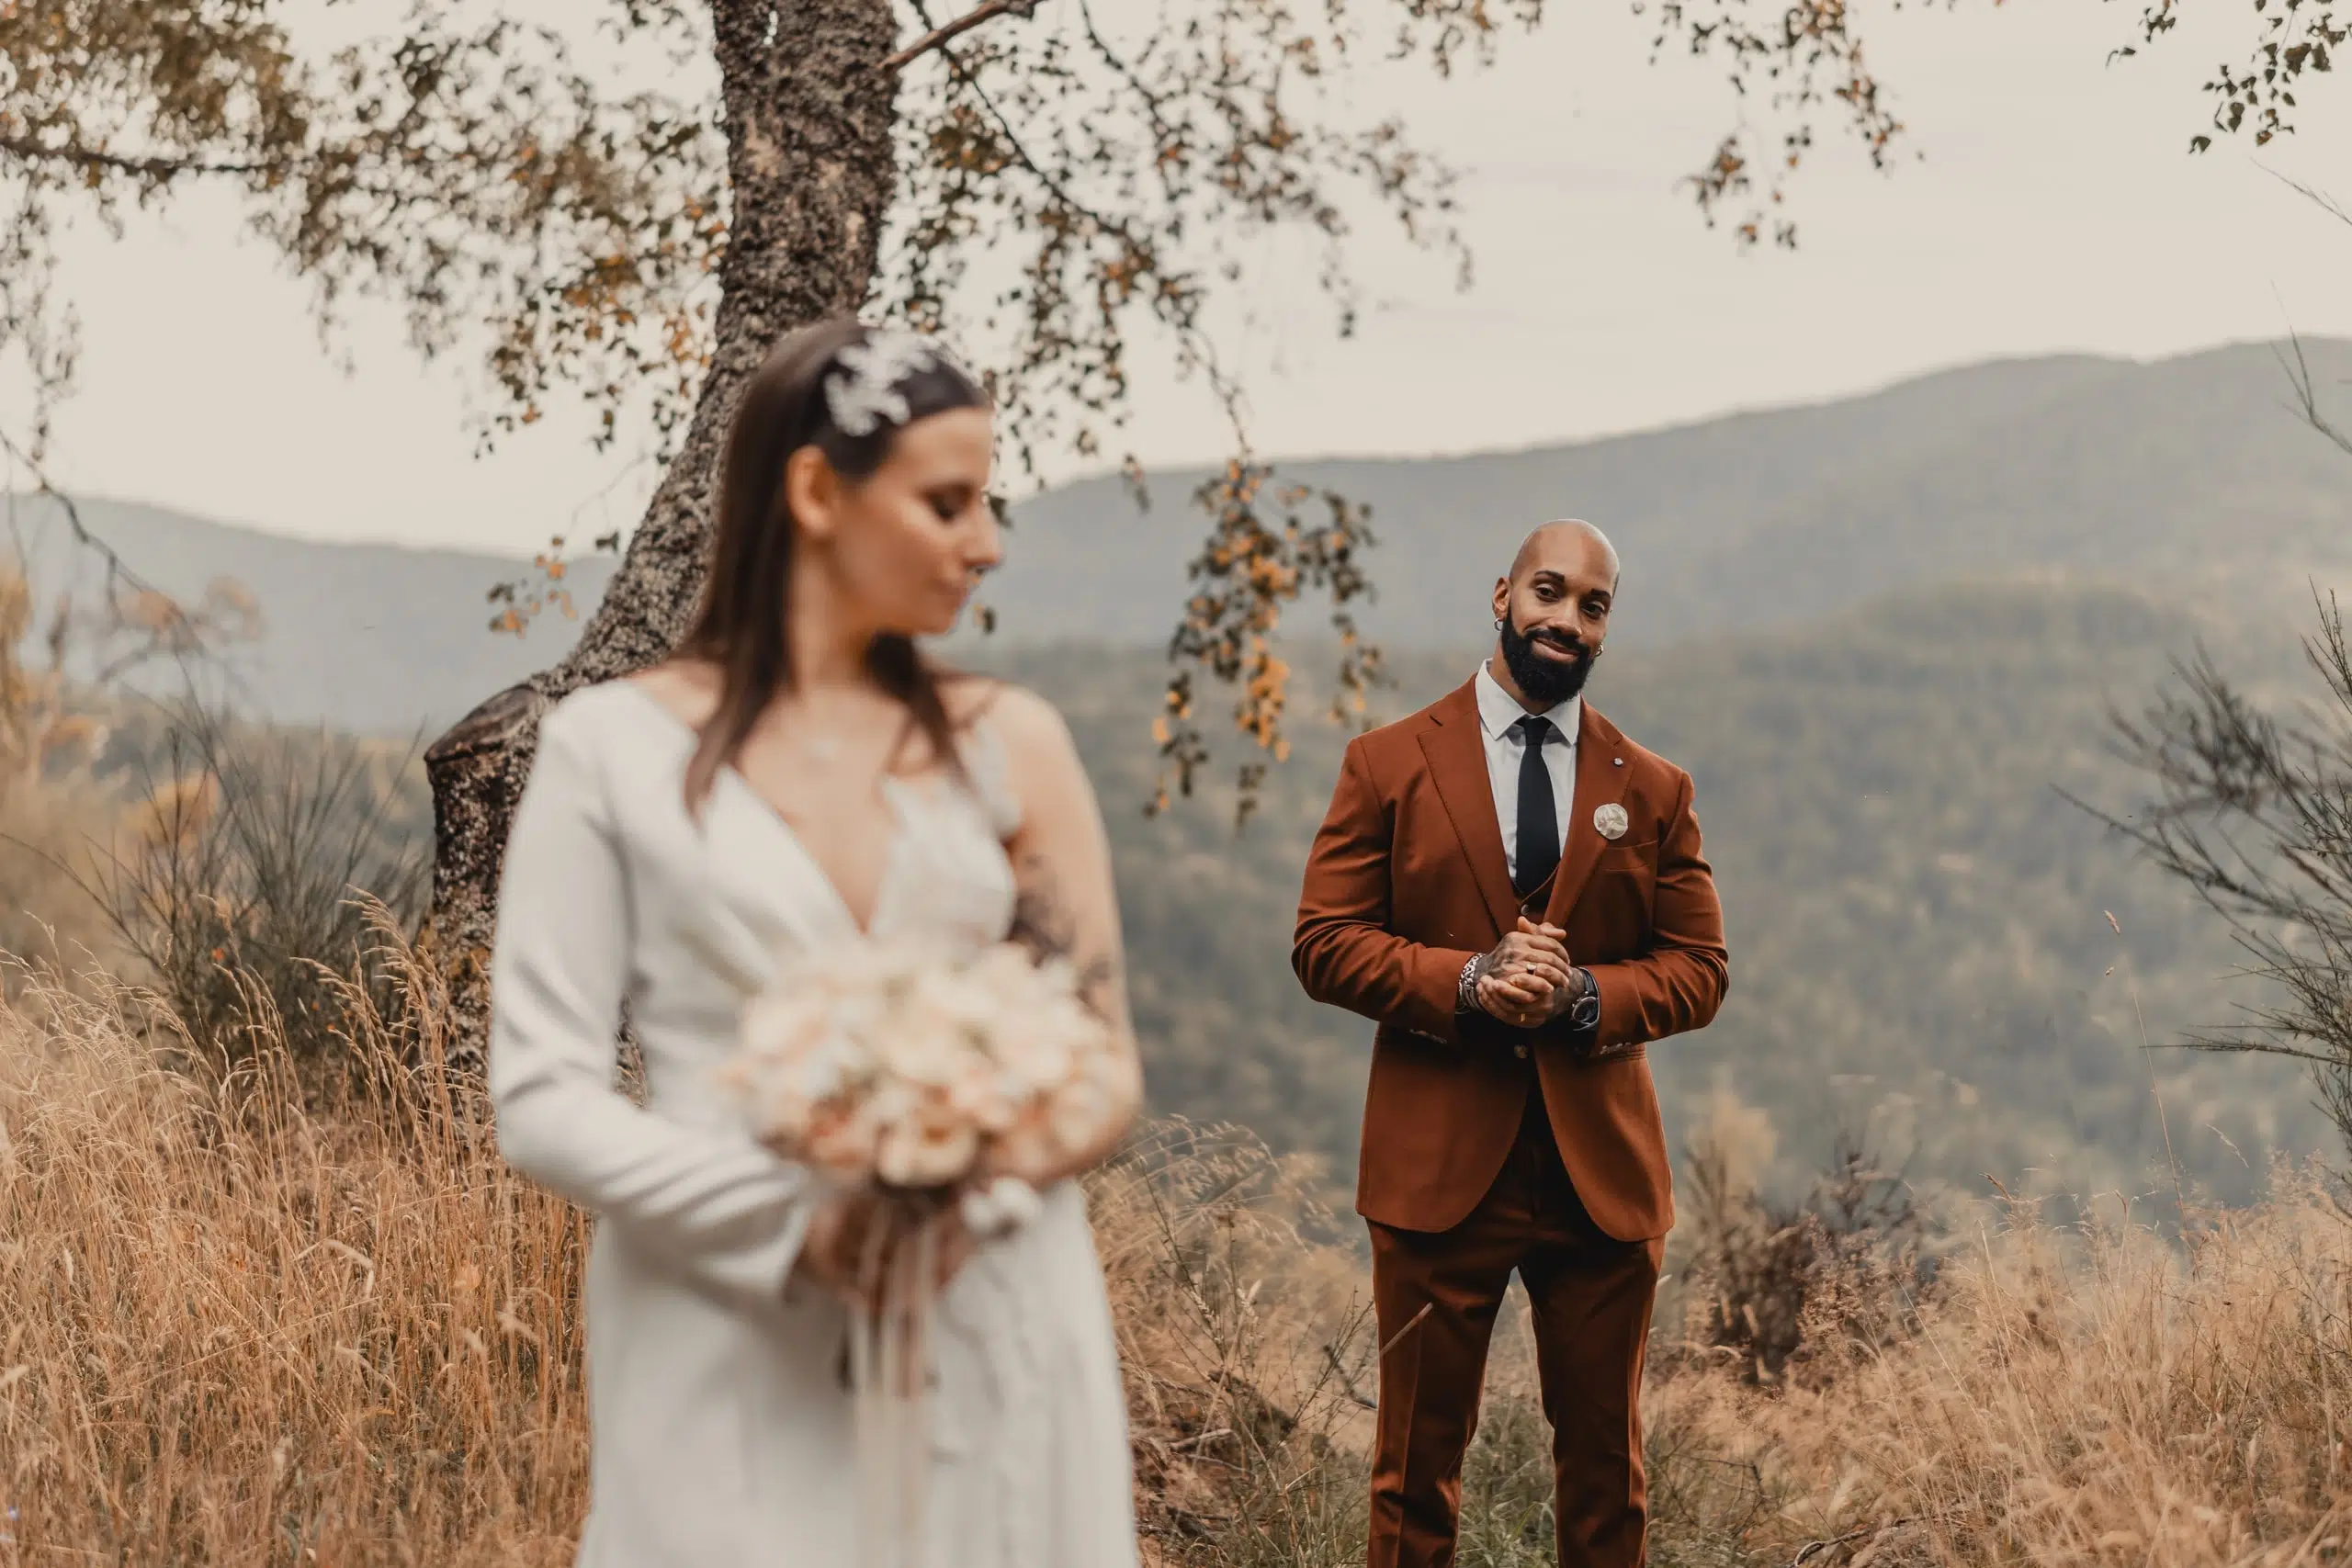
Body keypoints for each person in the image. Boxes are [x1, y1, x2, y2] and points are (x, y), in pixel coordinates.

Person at [487, 320, 1145, 1567]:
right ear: (813, 491)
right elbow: (540, 1097)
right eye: (947, 501)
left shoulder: (1016, 743)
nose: (987, 542)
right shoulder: (608, 751)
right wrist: (799, 1220)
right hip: (722, 1312)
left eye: (988, 501)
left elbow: (1104, 1063)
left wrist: (954, 1185)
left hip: (989, 1300)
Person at [1293, 520, 1729, 1568]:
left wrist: (1582, 995)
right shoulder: (1387, 762)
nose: (1567, 620)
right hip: (1439, 1173)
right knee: (1413, 1476)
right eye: (1550, 591)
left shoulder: (1654, 787)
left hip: (1600, 1184)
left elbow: (1699, 970)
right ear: (1502, 595)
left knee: (1606, 1479)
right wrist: (1471, 981)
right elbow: (1323, 943)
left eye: (1593, 606)